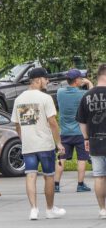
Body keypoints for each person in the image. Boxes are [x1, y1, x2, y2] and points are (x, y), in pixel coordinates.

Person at [11, 67, 66, 220]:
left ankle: (33, 209)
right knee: (49, 176)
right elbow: (53, 122)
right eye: (45, 78)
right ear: (37, 80)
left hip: (28, 145)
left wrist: (23, 138)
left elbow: (16, 124)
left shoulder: (19, 99)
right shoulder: (45, 98)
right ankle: (49, 209)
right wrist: (58, 142)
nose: (47, 81)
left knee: (30, 175)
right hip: (44, 144)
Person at [55, 68, 93, 193]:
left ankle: (56, 185)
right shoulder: (82, 94)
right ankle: (80, 184)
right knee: (82, 158)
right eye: (81, 78)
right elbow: (93, 94)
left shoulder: (60, 92)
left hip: (64, 132)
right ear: (77, 80)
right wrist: (88, 83)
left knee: (61, 158)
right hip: (79, 133)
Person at [76, 63, 106, 219]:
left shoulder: (86, 96)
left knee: (99, 176)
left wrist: (86, 138)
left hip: (95, 140)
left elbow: (82, 121)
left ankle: (102, 210)